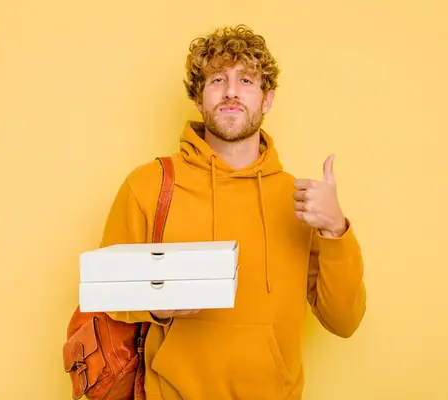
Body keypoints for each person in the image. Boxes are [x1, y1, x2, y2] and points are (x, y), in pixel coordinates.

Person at [102, 24, 366, 400]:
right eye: (217, 80)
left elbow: (344, 322)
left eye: (246, 80)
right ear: (198, 97)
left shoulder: (302, 201)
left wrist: (336, 228)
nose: (230, 91)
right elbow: (109, 301)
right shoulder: (148, 185)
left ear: (267, 98)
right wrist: (158, 307)